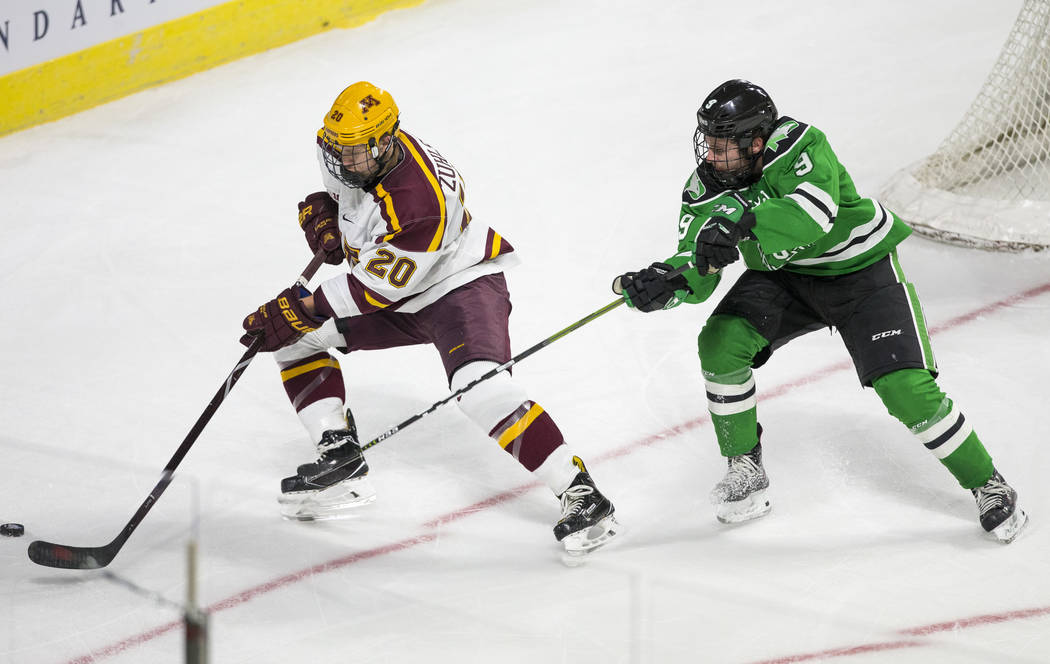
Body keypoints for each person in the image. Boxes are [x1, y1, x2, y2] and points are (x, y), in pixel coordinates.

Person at [615, 78, 1028, 544]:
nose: (711, 156)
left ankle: (987, 483)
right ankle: (745, 467)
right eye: (707, 143)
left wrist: (742, 224)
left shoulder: (801, 144)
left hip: (861, 271)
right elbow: (699, 264)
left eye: (723, 146)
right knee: (720, 342)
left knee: (904, 388)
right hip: (786, 277)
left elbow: (810, 217)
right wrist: (665, 283)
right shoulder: (703, 188)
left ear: (757, 141)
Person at [240, 81, 619, 556]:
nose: (342, 160)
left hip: (457, 288)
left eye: (354, 153)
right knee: (294, 342)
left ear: (384, 143)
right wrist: (329, 218)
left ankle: (581, 492)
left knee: (481, 389)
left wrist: (301, 308)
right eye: (338, 149)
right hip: (400, 289)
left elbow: (372, 289)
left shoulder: (422, 201)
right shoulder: (348, 151)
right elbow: (351, 204)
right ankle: (338, 456)